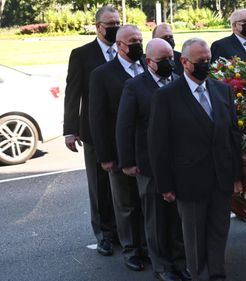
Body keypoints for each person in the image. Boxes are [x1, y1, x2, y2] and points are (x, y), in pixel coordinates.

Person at [148, 38, 243, 281]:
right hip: (189, 182)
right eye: (201, 61)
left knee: (219, 233)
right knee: (194, 238)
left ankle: (217, 275)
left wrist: (236, 176)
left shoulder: (223, 90)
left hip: (221, 179)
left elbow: (233, 136)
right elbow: (159, 145)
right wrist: (165, 185)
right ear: (184, 62)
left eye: (208, 60)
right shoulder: (167, 96)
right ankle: (199, 276)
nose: (206, 65)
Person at [115, 38, 190, 281]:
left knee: (178, 218)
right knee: (156, 218)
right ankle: (162, 266)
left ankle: (180, 261)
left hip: (178, 163)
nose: (169, 63)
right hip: (148, 164)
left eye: (171, 58)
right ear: (148, 62)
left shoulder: (180, 82)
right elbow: (124, 127)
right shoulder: (135, 86)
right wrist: (127, 161)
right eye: (162, 60)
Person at [89, 24, 147, 272]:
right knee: (126, 204)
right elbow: (97, 118)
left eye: (140, 39)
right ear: (119, 45)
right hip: (118, 151)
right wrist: (105, 156)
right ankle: (131, 249)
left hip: (148, 150)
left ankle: (148, 246)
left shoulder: (147, 65)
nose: (137, 44)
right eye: (132, 41)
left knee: (148, 203)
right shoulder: (103, 74)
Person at [63, 5, 119, 257]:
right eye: (110, 24)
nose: (115, 28)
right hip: (94, 132)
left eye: (118, 22)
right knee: (100, 186)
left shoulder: (127, 49)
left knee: (125, 186)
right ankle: (104, 234)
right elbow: (72, 94)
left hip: (124, 131)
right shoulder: (82, 54)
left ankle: (124, 231)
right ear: (98, 27)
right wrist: (70, 130)